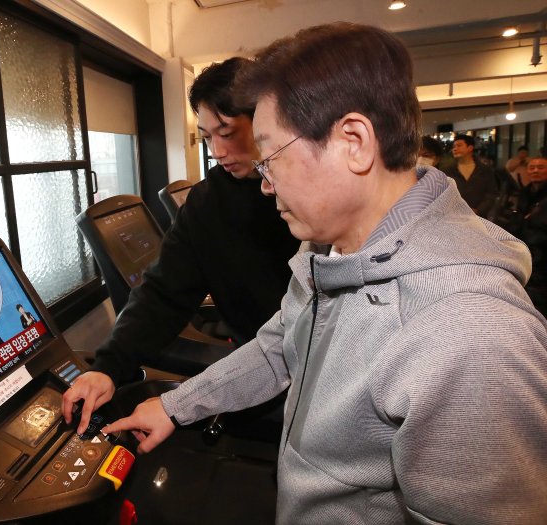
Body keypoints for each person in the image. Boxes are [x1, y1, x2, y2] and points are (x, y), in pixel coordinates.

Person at [101, 23, 547, 524]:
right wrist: (176, 405)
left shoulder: (470, 332)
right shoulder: (330, 249)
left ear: (353, 142)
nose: (265, 186)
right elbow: (281, 346)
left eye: (270, 159)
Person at [62, 57, 299, 433]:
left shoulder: (309, 193)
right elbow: (162, 292)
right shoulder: (208, 204)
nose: (217, 151)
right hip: (258, 370)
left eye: (227, 132)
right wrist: (108, 367)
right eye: (207, 137)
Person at [443, 134, 498, 216]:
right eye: (454, 146)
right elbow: (442, 194)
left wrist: (479, 210)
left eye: (459, 145)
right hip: (453, 216)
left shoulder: (485, 170)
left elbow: (491, 194)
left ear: (470, 148)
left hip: (479, 218)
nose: (455, 149)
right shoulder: (447, 171)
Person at [520, 156, 547, 316]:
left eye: (541, 167)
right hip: (527, 256)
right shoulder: (523, 193)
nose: (536, 171)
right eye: (532, 168)